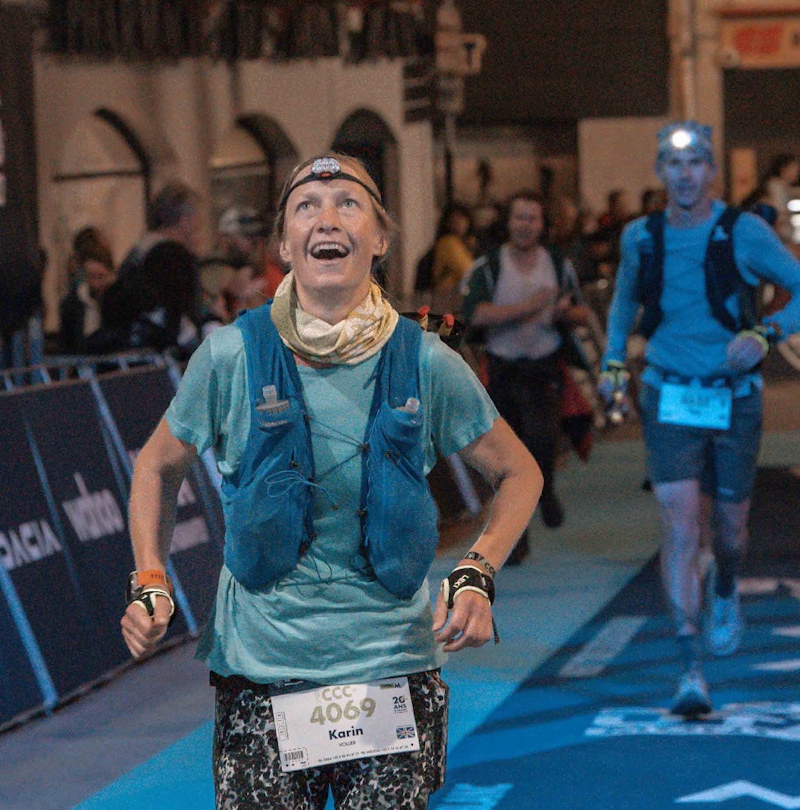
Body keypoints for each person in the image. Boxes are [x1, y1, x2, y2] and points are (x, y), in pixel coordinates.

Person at [120, 154, 543, 809]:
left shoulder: (426, 361)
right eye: (307, 205)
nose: (328, 216)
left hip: (389, 676)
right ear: (284, 245)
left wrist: (477, 572)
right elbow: (156, 464)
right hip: (261, 681)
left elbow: (519, 472)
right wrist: (149, 580)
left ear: (379, 239)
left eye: (349, 202)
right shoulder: (231, 356)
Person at [597, 122, 800, 718]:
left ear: (712, 172)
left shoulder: (744, 232)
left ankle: (726, 587)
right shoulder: (639, 237)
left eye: (697, 162)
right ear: (659, 171)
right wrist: (614, 361)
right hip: (668, 393)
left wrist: (765, 333)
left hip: (734, 397)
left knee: (729, 532)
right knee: (678, 529)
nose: (685, 174)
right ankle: (688, 669)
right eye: (674, 164)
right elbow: (624, 301)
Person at [461, 190, 597, 565]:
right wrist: (529, 307)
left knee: (541, 440)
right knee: (508, 457)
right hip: (503, 369)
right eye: (519, 218)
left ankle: (547, 489)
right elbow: (476, 314)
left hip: (544, 366)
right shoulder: (488, 265)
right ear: (509, 222)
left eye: (532, 219)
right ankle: (516, 539)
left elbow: (583, 312)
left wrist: (566, 314)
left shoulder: (557, 263)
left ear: (543, 224)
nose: (525, 226)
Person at [119, 181, 207, 357]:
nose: (199, 225)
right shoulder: (174, 256)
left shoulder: (137, 251)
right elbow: (183, 309)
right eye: (197, 218)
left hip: (135, 350)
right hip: (168, 353)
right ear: (184, 221)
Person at [56, 226, 138, 354]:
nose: (96, 283)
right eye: (91, 277)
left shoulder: (120, 300)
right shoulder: (72, 305)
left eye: (101, 276)